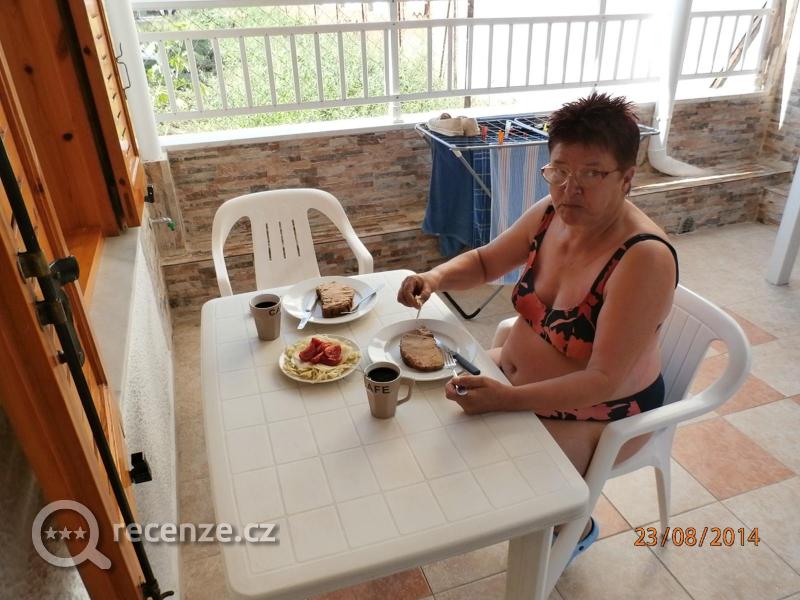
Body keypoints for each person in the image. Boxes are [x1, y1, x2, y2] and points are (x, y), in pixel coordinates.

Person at [397, 92, 678, 560]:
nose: (570, 188)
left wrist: (505, 399)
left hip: (600, 413)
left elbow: (602, 380)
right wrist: (435, 277)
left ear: (627, 178)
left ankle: (573, 528)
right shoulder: (550, 214)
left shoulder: (643, 259)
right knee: (425, 422)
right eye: (559, 171)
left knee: (502, 488)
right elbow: (486, 262)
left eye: (592, 173)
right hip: (515, 384)